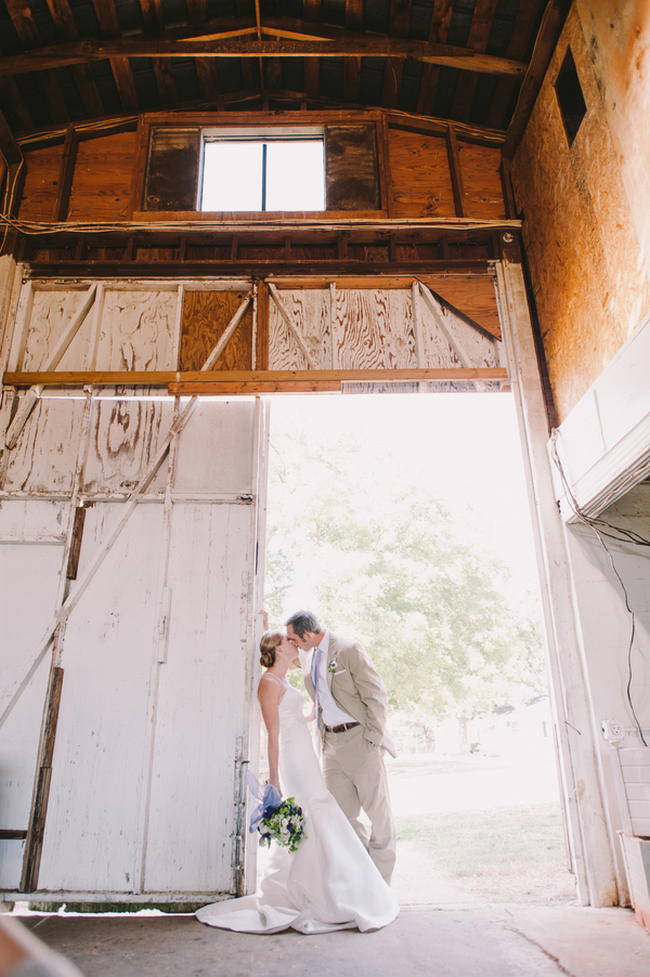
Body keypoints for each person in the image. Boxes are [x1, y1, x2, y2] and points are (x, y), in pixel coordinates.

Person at [196, 629, 398, 935]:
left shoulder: (285, 680)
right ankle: (309, 892)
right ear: (277, 649)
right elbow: (273, 733)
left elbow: (291, 717)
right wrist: (274, 777)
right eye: (289, 641)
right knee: (313, 810)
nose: (295, 645)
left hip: (306, 753)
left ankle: (331, 885)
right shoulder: (268, 682)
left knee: (320, 811)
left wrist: (315, 716)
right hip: (292, 759)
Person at [286, 610, 397, 884]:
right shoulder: (308, 656)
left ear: (307, 634)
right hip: (330, 746)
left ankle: (382, 882)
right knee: (342, 817)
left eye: (294, 639)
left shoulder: (348, 649)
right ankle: (364, 879)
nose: (293, 644)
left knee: (378, 814)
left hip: (360, 741)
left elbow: (376, 695)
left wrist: (373, 738)